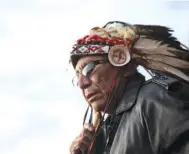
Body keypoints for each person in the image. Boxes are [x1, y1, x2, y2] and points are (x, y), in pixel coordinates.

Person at [68, 21, 189, 154]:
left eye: (89, 69)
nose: (82, 83)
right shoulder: (105, 133)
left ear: (123, 63)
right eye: (77, 76)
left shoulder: (153, 99)